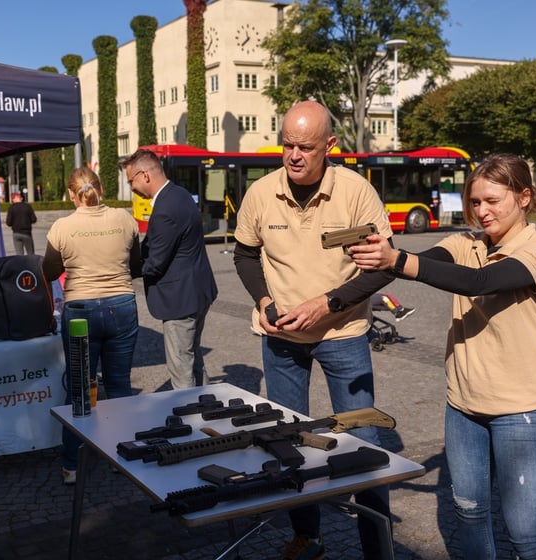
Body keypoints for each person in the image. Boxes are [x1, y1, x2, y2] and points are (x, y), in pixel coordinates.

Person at [349, 154, 536, 560]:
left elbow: (478, 282)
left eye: (492, 200)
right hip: (464, 406)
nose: (481, 211)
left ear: (523, 197)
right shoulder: (464, 243)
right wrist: (333, 295)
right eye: (475, 202)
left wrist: (397, 259)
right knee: (469, 515)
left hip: (524, 409)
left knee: (526, 535)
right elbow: (426, 266)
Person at [232, 100, 396, 560]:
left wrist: (328, 304)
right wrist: (264, 302)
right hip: (282, 338)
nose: (294, 155)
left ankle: (377, 548)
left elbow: (383, 267)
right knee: (287, 439)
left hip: (343, 336)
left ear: (330, 146)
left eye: (306, 146)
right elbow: (245, 255)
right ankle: (309, 536)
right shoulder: (261, 193)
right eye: (287, 144)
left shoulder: (356, 192)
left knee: (363, 439)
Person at [42, 167, 142, 485]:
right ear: (100, 187)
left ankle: (72, 465)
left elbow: (48, 271)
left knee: (79, 390)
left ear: (72, 195)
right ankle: (122, 456)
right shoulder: (124, 219)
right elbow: (137, 264)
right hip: (122, 306)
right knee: (120, 386)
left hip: (80, 308)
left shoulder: (62, 227)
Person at [121, 149, 218, 390]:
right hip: (197, 291)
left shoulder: (165, 209)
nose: (131, 187)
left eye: (130, 180)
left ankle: (190, 419)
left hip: (180, 301)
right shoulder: (180, 194)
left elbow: (155, 263)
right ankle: (208, 406)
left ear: (144, 175)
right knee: (193, 357)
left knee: (181, 367)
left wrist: (124, 270)